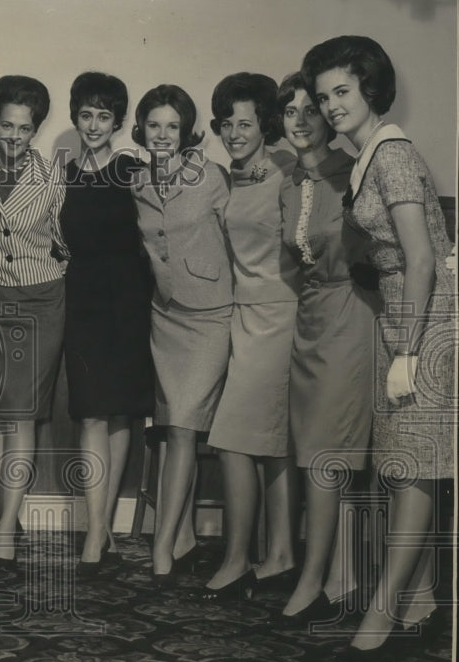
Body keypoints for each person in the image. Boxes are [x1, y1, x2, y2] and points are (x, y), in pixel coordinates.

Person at [302, 35, 455, 661]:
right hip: (401, 310)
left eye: (343, 91)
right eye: (323, 96)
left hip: (426, 317)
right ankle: (417, 600)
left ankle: (382, 617)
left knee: (413, 465)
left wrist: (411, 352)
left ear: (370, 89)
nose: (332, 105)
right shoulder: (368, 155)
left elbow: (422, 258)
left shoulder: (390, 154)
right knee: (403, 464)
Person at [275, 72, 381, 623]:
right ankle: (337, 575)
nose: (298, 119)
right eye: (289, 111)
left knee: (324, 454)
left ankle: (314, 580)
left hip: (350, 317)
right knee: (315, 452)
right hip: (310, 318)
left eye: (309, 109)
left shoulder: (354, 173)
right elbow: (296, 259)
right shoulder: (291, 181)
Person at [200, 73, 299, 600]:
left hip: (281, 316)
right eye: (226, 123)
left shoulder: (287, 169)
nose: (234, 132)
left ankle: (239, 558)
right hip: (243, 315)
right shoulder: (231, 175)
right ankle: (279, 553)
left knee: (235, 441)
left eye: (246, 122)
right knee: (270, 442)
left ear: (266, 123)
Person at [0, 75, 68, 571]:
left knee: (21, 412)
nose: (13, 137)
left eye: (24, 129)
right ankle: (9, 516)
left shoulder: (52, 177)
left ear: (36, 130)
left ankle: (5, 530)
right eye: (6, 126)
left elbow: (66, 242)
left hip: (39, 300)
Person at [130, 85, 231, 585]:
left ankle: (163, 547)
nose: (163, 135)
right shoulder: (138, 184)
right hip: (164, 315)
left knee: (184, 428)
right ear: (142, 130)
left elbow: (242, 245)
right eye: (154, 125)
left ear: (187, 131)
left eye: (173, 126)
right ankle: (184, 536)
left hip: (212, 315)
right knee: (173, 428)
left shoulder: (212, 178)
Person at [59, 72, 153, 576]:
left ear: (118, 122)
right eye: (86, 114)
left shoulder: (134, 169)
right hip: (81, 302)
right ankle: (98, 533)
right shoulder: (62, 173)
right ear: (75, 116)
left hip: (130, 303)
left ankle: (101, 532)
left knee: (121, 416)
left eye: (104, 116)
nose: (94, 124)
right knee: (92, 414)